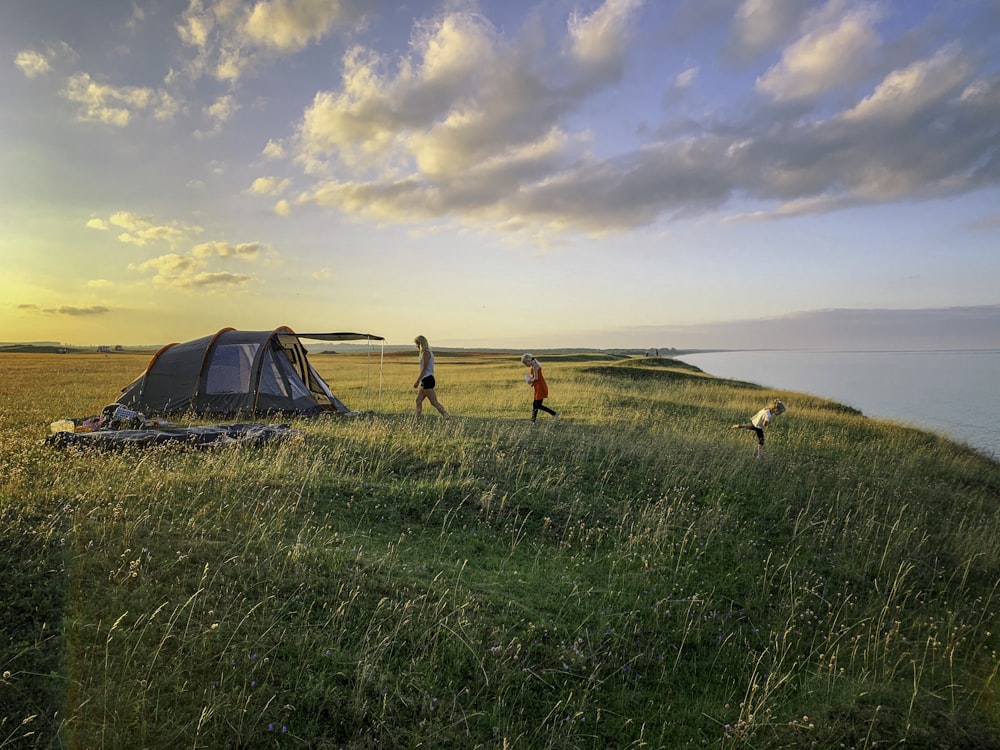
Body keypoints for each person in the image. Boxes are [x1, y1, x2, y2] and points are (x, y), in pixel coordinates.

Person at [413, 335, 450, 421]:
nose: (416, 346)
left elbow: (424, 369)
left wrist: (417, 381)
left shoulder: (426, 353)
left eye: (417, 344)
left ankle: (448, 418)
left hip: (427, 379)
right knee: (418, 400)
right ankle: (415, 421)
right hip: (425, 380)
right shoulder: (425, 352)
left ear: (421, 344)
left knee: (434, 402)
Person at [521, 353, 559, 423]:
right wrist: (532, 382)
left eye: (526, 364)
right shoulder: (535, 365)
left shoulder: (534, 366)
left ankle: (554, 413)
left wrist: (529, 381)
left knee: (538, 404)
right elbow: (536, 378)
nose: (526, 365)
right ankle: (533, 420)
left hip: (540, 387)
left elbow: (536, 378)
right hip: (538, 385)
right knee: (535, 403)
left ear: (528, 361)